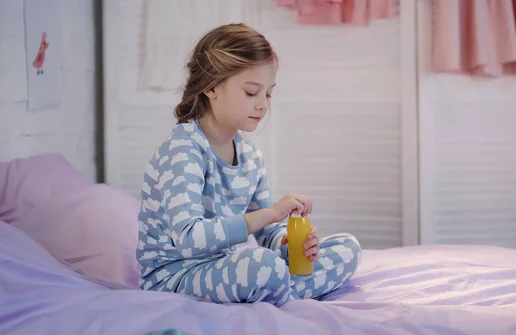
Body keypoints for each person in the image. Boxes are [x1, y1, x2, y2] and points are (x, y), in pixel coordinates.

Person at [136, 23, 361, 307]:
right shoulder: (183, 150)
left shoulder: (250, 155)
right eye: (252, 92)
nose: (263, 105)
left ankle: (276, 287)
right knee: (261, 266)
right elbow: (190, 239)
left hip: (224, 266)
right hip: (175, 276)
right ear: (211, 87)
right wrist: (271, 213)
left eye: (268, 93)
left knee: (346, 248)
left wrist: (289, 245)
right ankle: (282, 290)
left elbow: (266, 232)